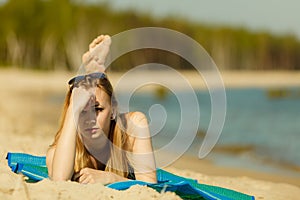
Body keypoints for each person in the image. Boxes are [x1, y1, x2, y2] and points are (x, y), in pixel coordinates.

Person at [46, 35, 157, 184]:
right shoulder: (60, 150)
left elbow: (150, 185)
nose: (90, 119)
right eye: (82, 111)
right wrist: (74, 107)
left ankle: (94, 72)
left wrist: (111, 178)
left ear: (112, 110)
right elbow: (59, 180)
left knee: (98, 89)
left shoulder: (132, 127)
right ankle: (92, 73)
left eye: (97, 109)